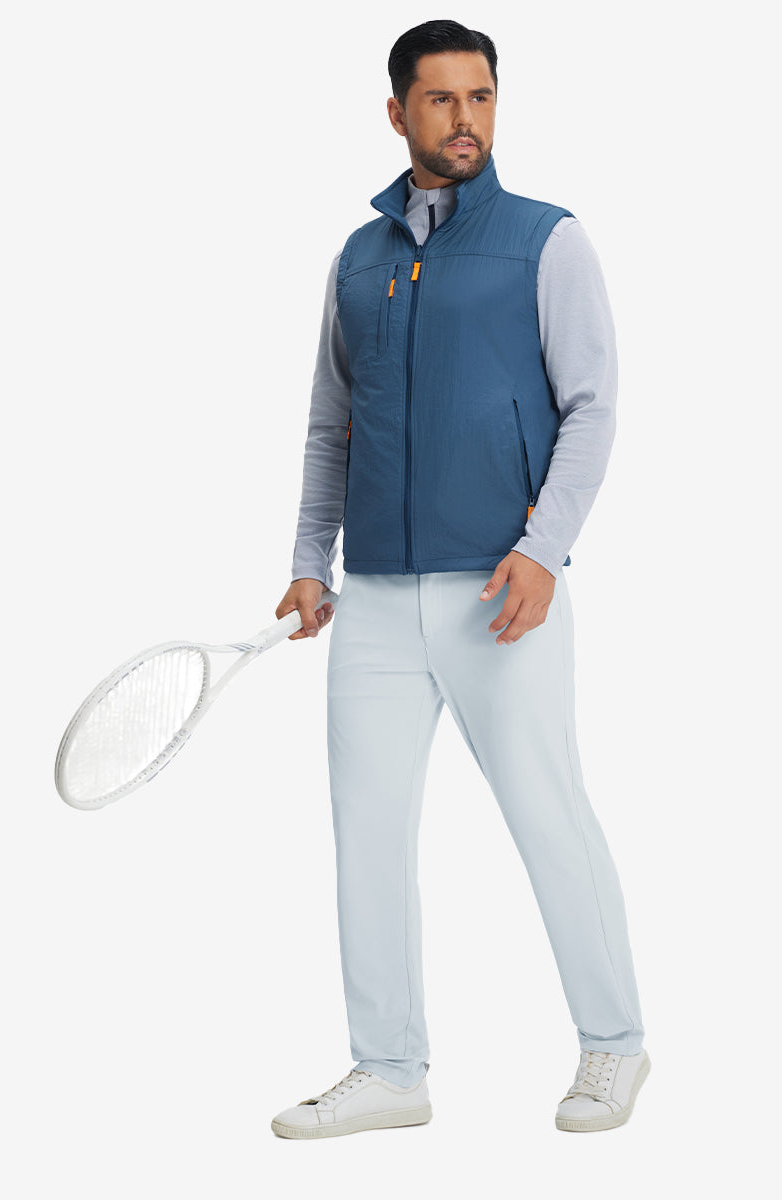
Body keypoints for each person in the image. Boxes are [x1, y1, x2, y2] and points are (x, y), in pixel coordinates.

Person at [271, 19, 649, 1139]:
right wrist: (308, 563)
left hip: (501, 593)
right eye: (440, 100)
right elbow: (331, 424)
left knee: (548, 813)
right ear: (398, 113)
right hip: (377, 600)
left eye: (479, 97)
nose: (464, 118)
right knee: (367, 832)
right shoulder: (359, 259)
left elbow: (592, 408)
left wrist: (543, 551)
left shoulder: (546, 241)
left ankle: (614, 1046)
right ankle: (390, 1069)